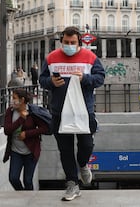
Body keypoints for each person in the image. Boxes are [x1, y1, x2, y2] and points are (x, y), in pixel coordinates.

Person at [39, 26, 105, 201]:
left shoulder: (90, 58)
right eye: (66, 42)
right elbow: (42, 79)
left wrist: (85, 79)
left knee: (86, 145)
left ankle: (83, 164)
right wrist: (51, 82)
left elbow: (100, 78)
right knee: (65, 150)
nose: (69, 45)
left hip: (84, 111)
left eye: (72, 43)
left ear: (79, 43)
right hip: (59, 111)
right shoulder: (51, 58)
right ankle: (72, 184)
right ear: (61, 41)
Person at [3, 88, 49, 190]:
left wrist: (27, 134)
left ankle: (29, 200)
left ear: (22, 100)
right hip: (16, 151)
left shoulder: (32, 112)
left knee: (28, 181)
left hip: (31, 152)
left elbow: (44, 128)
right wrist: (21, 119)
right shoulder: (10, 112)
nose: (12, 100)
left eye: (14, 98)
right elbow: (7, 130)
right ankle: (22, 195)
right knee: (13, 178)